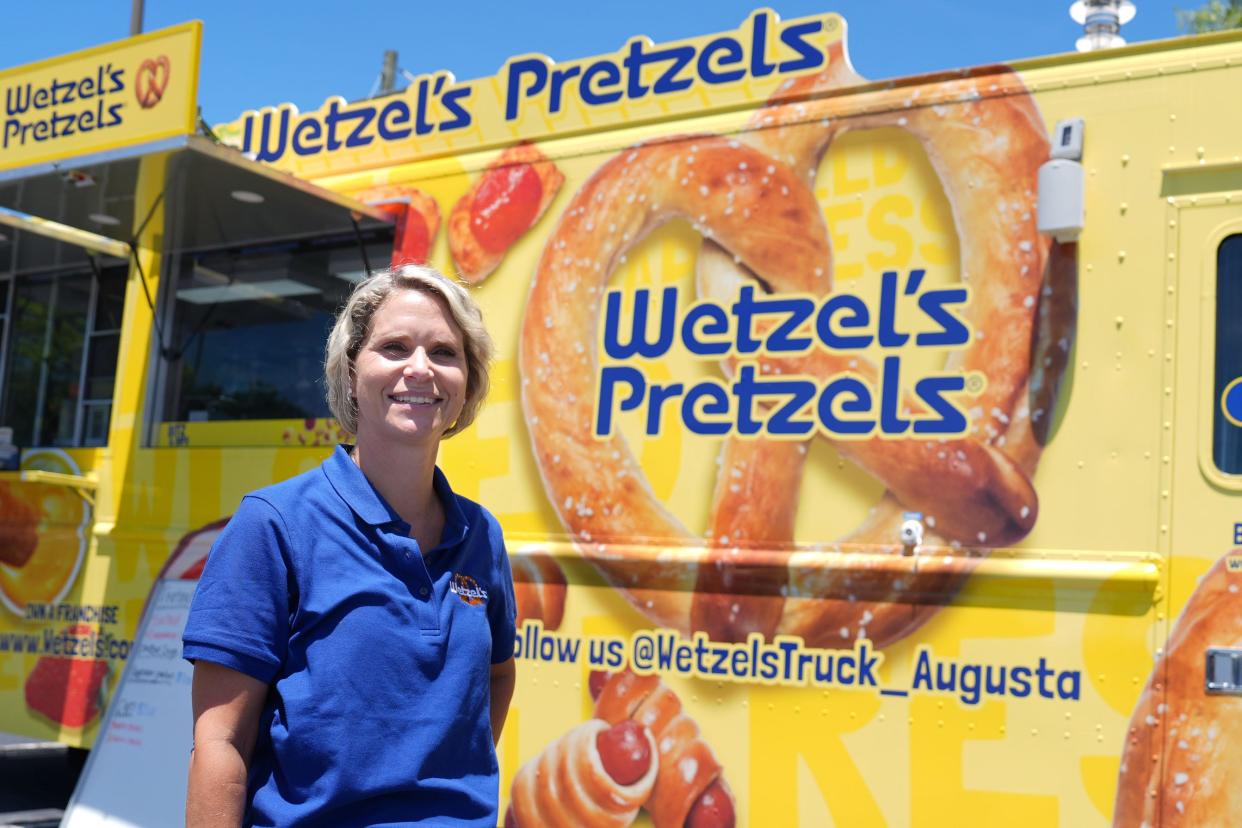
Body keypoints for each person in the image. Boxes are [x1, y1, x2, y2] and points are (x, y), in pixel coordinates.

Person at [183, 264, 517, 827]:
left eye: (444, 352)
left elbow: (498, 673)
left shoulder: (482, 535)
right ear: (350, 370)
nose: (420, 369)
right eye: (394, 347)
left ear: (468, 382)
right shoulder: (275, 524)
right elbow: (220, 742)